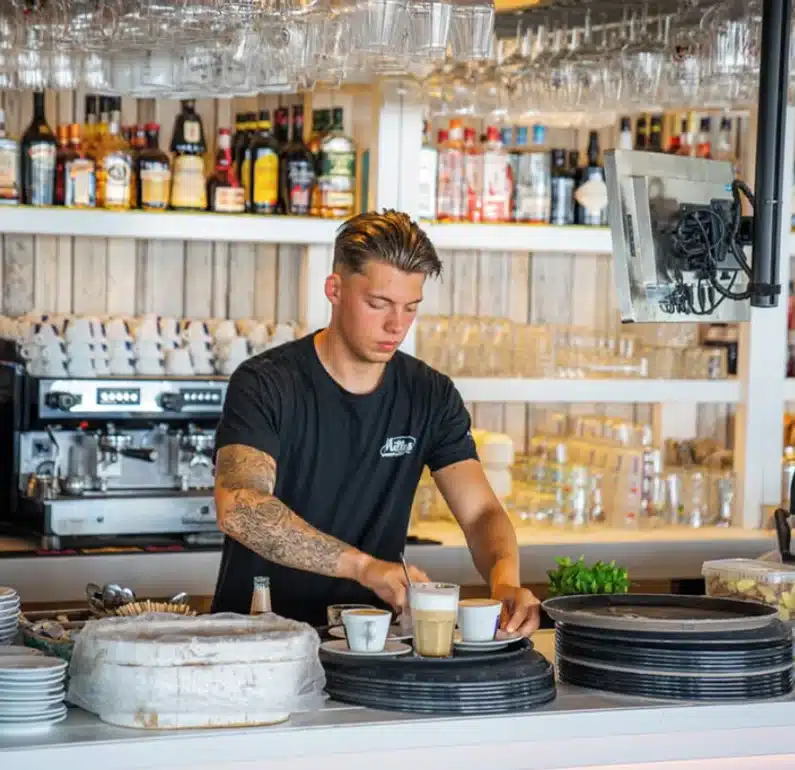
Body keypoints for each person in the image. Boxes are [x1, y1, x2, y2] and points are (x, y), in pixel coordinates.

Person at [211, 209, 539, 636]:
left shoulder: (430, 396)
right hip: (255, 638)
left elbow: (480, 514)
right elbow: (240, 507)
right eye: (378, 304)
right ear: (335, 289)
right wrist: (364, 567)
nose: (396, 325)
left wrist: (505, 580)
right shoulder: (265, 383)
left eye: (410, 308)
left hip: (370, 643)